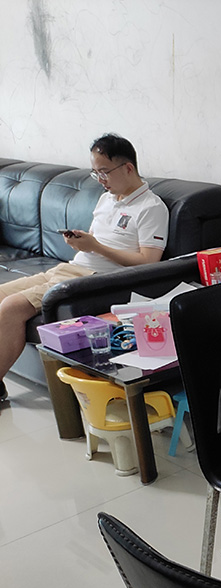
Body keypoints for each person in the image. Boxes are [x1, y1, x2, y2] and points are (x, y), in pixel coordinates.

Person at [0, 133, 168, 402]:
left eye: (104, 172)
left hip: (96, 280)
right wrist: (82, 243)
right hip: (70, 269)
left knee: (11, 307)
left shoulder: (151, 207)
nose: (100, 180)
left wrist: (96, 247)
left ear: (128, 168)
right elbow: (96, 241)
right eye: (95, 173)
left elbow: (149, 262)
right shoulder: (106, 199)